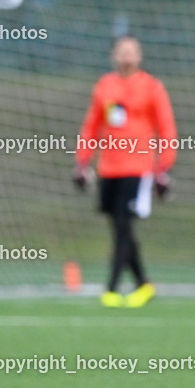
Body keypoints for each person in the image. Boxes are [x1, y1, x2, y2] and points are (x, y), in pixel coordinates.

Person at [74, 36, 177, 308]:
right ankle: (143, 284)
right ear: (113, 56)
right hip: (109, 168)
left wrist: (163, 167)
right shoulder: (105, 86)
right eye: (122, 51)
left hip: (138, 168)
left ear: (140, 56)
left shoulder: (151, 87)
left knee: (123, 225)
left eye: (131, 51)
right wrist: (82, 162)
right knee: (120, 228)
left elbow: (166, 128)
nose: (126, 56)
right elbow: (92, 126)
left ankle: (111, 288)